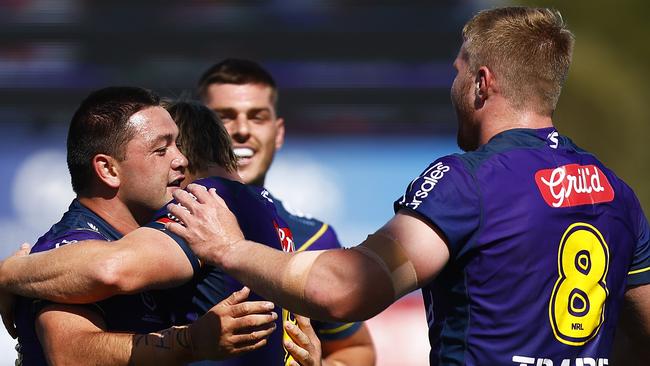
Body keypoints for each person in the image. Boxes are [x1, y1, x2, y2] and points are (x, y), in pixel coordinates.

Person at [163, 7, 650, 365]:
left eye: (457, 73)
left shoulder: (468, 184)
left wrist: (229, 247)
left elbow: (344, 289)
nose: (452, 87)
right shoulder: (616, 192)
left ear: (481, 84)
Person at [0, 97, 360, 365]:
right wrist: (188, 342)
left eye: (179, 143)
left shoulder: (202, 211)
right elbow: (70, 354)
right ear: (108, 170)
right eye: (161, 149)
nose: (180, 159)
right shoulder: (65, 253)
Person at [197, 58, 375, 365]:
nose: (241, 130)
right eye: (224, 117)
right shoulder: (164, 223)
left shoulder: (314, 238)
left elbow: (355, 349)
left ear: (278, 133)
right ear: (198, 132)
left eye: (257, 117)